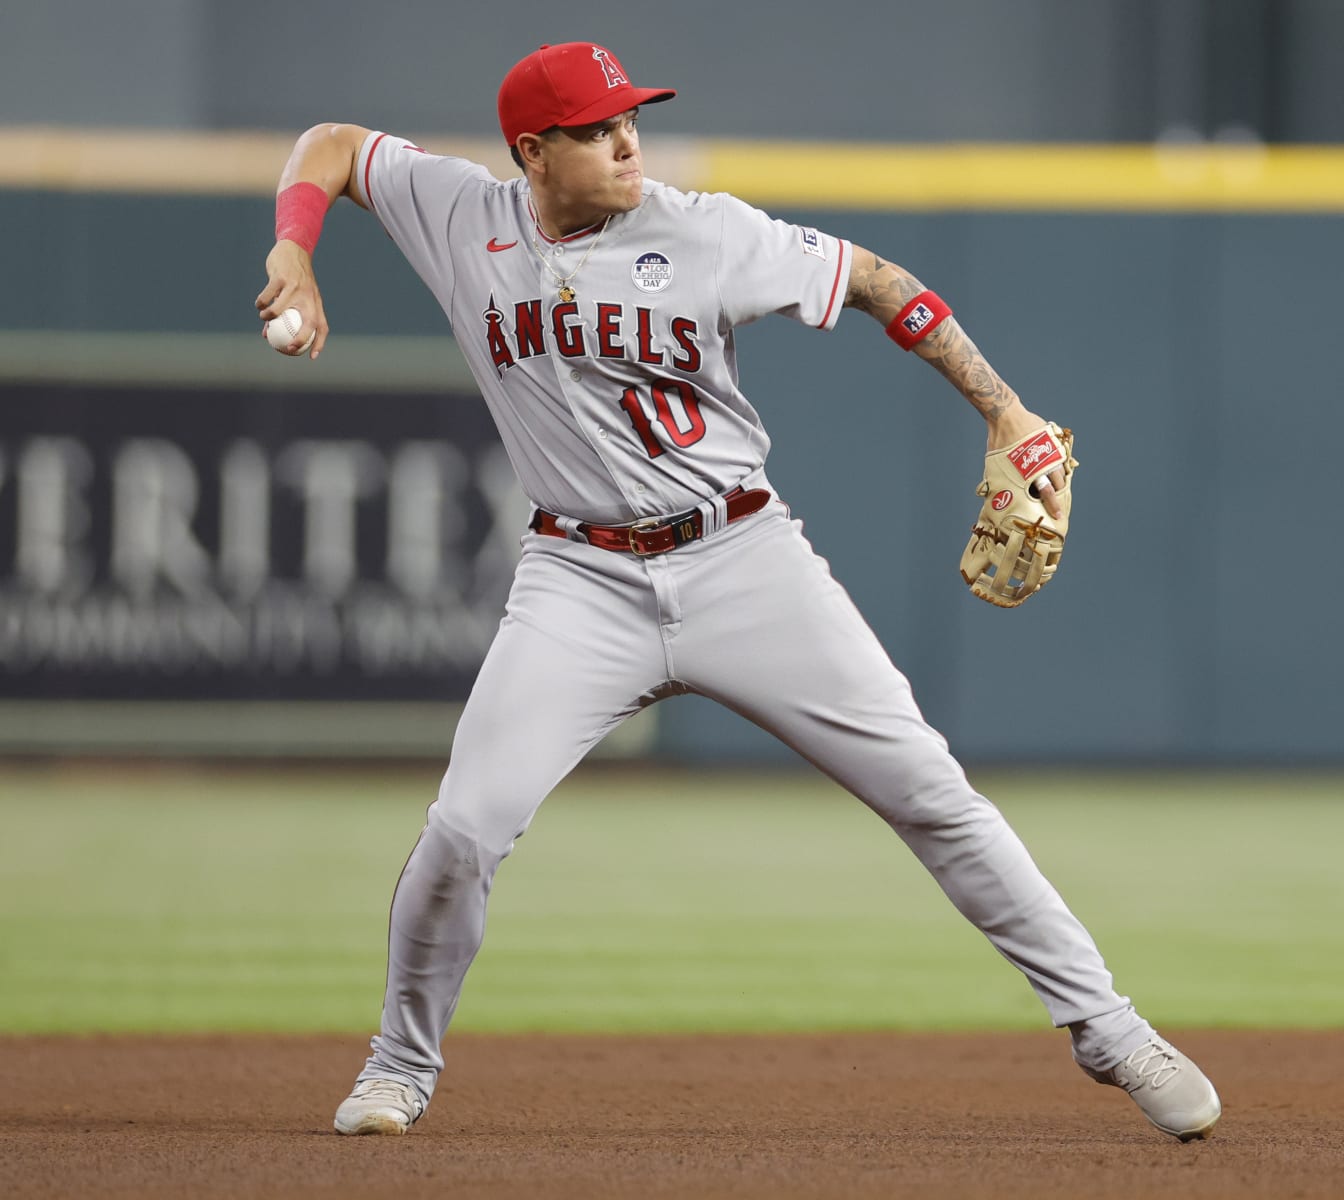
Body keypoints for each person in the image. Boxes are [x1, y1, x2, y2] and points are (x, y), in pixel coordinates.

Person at [255, 41, 1220, 1143]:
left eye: (631, 118)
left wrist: (1003, 411)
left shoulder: (705, 229)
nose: (628, 140)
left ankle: (1108, 1026)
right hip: (579, 578)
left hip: (740, 559)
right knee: (466, 829)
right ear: (533, 151)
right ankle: (398, 1066)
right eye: (597, 128)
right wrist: (295, 247)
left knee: (930, 790)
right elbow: (330, 146)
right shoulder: (458, 212)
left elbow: (878, 283)